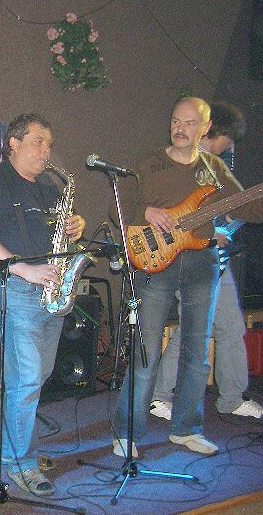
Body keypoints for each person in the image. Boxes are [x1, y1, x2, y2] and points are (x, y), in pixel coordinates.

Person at [111, 97, 263, 459]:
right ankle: (127, 433)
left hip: (201, 262)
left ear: (206, 128)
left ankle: (187, 428)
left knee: (197, 352)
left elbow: (244, 205)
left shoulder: (214, 168)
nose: (180, 129)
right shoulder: (148, 163)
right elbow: (119, 207)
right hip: (156, 260)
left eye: (189, 123)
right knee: (146, 354)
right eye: (175, 121)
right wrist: (146, 211)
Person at [0, 113, 85, 497]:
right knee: (27, 379)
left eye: (49, 144)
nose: (46, 151)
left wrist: (76, 227)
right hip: (16, 288)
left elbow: (60, 236)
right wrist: (25, 270)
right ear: (13, 143)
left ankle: (17, 446)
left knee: (37, 377)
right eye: (38, 141)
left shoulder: (49, 188)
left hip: (51, 291)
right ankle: (21, 464)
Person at [150, 101, 262, 420]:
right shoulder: (181, 161)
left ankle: (232, 398)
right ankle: (159, 395)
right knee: (193, 328)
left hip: (212, 258)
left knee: (231, 326)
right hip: (184, 257)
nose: (230, 146)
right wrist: (212, 232)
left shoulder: (214, 167)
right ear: (217, 131)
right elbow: (169, 211)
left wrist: (220, 225)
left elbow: (233, 207)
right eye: (229, 139)